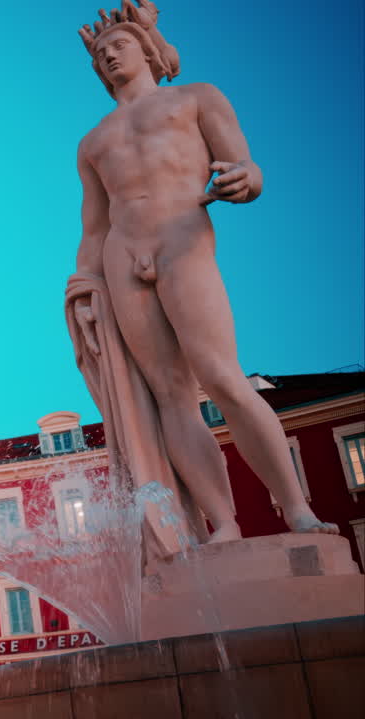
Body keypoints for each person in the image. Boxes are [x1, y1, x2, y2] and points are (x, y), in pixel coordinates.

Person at [68, 0, 336, 546]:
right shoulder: (93, 143)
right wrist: (80, 287)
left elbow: (245, 163)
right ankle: (225, 526)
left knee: (221, 376)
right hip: (124, 253)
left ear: (145, 51)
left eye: (118, 46)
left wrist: (246, 180)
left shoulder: (195, 98)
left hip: (181, 235)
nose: (109, 57)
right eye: (101, 54)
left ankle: (296, 509)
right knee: (169, 395)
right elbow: (94, 227)